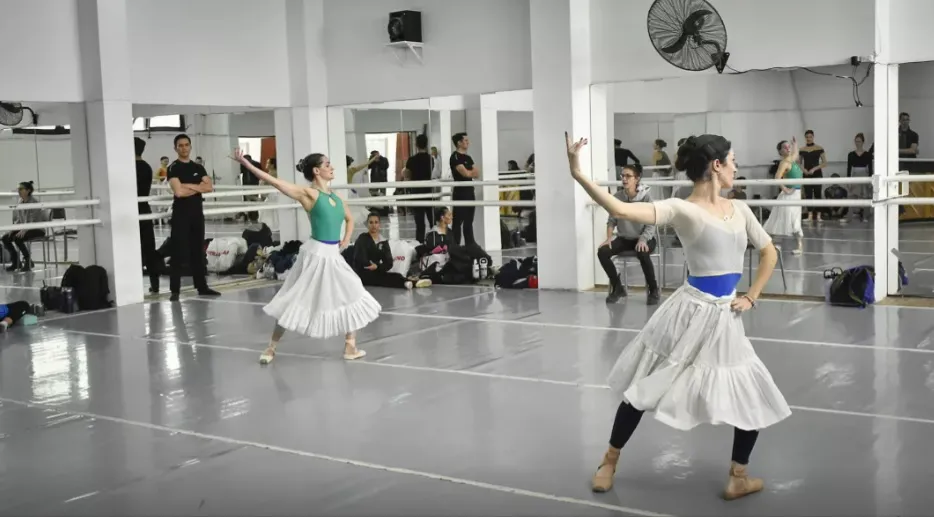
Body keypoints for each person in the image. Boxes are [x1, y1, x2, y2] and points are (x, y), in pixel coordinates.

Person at [565, 132, 790, 501]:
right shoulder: (683, 209)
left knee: (751, 394)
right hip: (687, 311)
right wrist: (578, 173)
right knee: (644, 387)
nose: (735, 167)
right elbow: (622, 210)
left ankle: (738, 476)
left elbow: (769, 252)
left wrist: (752, 295)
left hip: (726, 317)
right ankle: (609, 460)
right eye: (732, 160)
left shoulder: (741, 210)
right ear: (716, 165)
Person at [232, 148, 380, 365]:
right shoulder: (309, 194)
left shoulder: (337, 198)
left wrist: (346, 238)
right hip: (315, 255)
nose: (332, 167)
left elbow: (349, 219)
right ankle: (271, 347)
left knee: (353, 291)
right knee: (293, 299)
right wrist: (247, 165)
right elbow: (276, 183)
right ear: (316, 171)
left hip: (333, 255)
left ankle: (350, 346)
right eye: (327, 164)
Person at [166, 134, 220, 301]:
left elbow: (209, 187)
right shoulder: (173, 168)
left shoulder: (198, 167)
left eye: (186, 145)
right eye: (180, 145)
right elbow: (179, 192)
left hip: (197, 214)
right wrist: (198, 187)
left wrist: (187, 185)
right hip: (181, 215)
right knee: (178, 251)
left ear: (190, 146)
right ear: (175, 148)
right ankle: (175, 290)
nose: (184, 148)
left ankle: (202, 287)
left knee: (198, 250)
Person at [597, 163, 660, 305]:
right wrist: (609, 238)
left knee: (642, 252)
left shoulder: (646, 198)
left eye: (628, 176)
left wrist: (643, 239)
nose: (624, 179)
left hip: (644, 238)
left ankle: (653, 290)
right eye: (622, 176)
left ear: (637, 179)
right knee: (602, 252)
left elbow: (651, 222)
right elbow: (611, 220)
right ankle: (617, 287)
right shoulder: (617, 197)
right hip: (624, 238)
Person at [353, 213, 432, 289]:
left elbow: (389, 263)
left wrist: (377, 266)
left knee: (394, 276)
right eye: (371, 222)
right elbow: (360, 259)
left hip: (376, 271)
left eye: (376, 222)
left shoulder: (383, 242)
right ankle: (410, 283)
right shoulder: (362, 238)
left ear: (379, 224)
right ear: (367, 224)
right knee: (385, 278)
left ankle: (411, 282)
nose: (373, 225)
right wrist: (373, 266)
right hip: (363, 273)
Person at [763, 139, 804, 255]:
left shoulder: (792, 160)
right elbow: (777, 178)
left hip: (796, 195)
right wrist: (785, 189)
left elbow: (796, 153)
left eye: (788, 146)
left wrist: (795, 144)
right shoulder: (784, 163)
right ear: (780, 152)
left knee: (795, 220)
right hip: (788, 196)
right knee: (779, 219)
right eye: (785, 147)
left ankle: (799, 246)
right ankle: (766, 244)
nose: (788, 148)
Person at [135, 137, 162, 293]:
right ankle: (155, 283)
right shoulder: (147, 167)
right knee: (148, 247)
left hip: (132, 210)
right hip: (145, 209)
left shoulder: (129, 168)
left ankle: (132, 285)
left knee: (132, 247)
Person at [2, 181, 47, 272]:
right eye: (18, 189)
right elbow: (19, 219)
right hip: (24, 227)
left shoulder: (34, 203)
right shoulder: (20, 201)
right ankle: (16, 262)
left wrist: (24, 230)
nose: (19, 191)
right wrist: (13, 228)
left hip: (36, 228)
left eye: (21, 189)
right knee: (5, 238)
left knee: (18, 238)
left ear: (28, 190)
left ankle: (28, 261)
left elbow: (32, 220)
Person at [450, 133, 479, 246]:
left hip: (470, 192)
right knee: (457, 222)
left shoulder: (468, 158)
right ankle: (455, 246)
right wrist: (470, 173)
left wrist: (469, 173)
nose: (468, 143)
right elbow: (465, 174)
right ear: (459, 143)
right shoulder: (455, 157)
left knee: (469, 222)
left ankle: (470, 245)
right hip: (460, 193)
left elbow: (477, 173)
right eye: (466, 141)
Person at [404, 134, 435, 242]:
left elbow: (407, 175)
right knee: (432, 221)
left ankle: (419, 244)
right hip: (428, 191)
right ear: (426, 144)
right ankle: (435, 242)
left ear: (416, 145)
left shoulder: (412, 160)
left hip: (417, 192)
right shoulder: (430, 159)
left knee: (420, 223)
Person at [799, 130, 826, 223]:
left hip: (817, 174)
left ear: (813, 137)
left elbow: (824, 163)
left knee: (818, 194)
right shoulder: (802, 149)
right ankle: (809, 215)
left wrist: (814, 169)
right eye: (807, 137)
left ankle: (818, 215)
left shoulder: (819, 148)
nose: (808, 139)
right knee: (808, 194)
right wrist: (804, 170)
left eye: (810, 137)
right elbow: (799, 163)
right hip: (806, 174)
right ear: (805, 138)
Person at [847, 132, 872, 222]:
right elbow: (849, 168)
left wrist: (870, 180)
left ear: (863, 142)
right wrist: (848, 181)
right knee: (852, 195)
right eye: (856, 141)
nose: (857, 143)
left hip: (865, 175)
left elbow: (870, 168)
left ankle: (865, 216)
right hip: (854, 175)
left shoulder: (868, 155)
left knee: (865, 196)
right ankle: (852, 215)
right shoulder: (851, 154)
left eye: (859, 141)